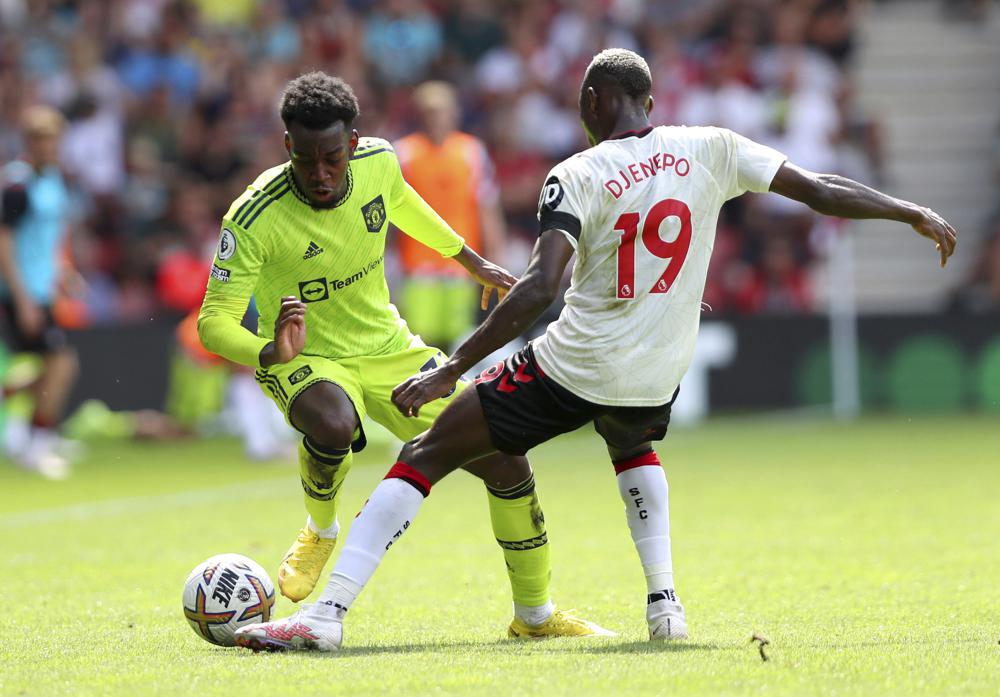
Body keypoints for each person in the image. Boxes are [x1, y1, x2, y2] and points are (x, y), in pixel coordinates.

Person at [234, 49, 958, 653]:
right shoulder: (714, 147)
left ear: (593, 100)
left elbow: (541, 286)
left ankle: (325, 617)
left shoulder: (576, 174)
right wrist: (909, 210)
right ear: (648, 99)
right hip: (659, 370)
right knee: (632, 443)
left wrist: (453, 368)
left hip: (574, 364)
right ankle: (664, 604)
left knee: (426, 452)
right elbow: (821, 188)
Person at [198, 71, 606, 639]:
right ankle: (320, 528)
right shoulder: (251, 216)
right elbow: (212, 320)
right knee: (334, 423)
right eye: (307, 158)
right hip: (306, 356)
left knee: (506, 457)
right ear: (287, 145)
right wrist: (268, 349)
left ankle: (534, 616)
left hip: (389, 347)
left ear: (355, 143)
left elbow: (403, 205)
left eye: (333, 158)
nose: (320, 172)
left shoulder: (380, 162)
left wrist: (470, 259)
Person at [394, 81, 508, 350]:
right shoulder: (405, 153)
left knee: (458, 340)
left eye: (441, 111)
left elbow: (486, 206)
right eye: (429, 112)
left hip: (462, 263)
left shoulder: (471, 152)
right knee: (420, 342)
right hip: (417, 265)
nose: (436, 118)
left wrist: (496, 255)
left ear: (454, 113)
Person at [0, 106, 80, 479]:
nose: (50, 146)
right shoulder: (17, 184)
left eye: (54, 139)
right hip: (22, 291)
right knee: (61, 364)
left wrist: (64, 271)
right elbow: (5, 241)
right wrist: (23, 297)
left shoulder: (52, 179)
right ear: (30, 142)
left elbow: (48, 237)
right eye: (42, 139)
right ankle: (38, 445)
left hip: (42, 288)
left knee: (51, 366)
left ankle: (20, 414)